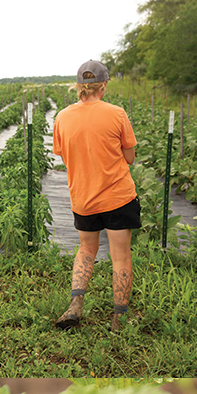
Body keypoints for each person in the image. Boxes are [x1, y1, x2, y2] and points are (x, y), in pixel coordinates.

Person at [52, 59, 141, 332]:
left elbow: (64, 155)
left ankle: (75, 304)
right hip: (118, 197)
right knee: (121, 257)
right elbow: (130, 157)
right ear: (103, 86)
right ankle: (118, 320)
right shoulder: (116, 113)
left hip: (83, 197)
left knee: (86, 250)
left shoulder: (62, 117)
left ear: (80, 87)